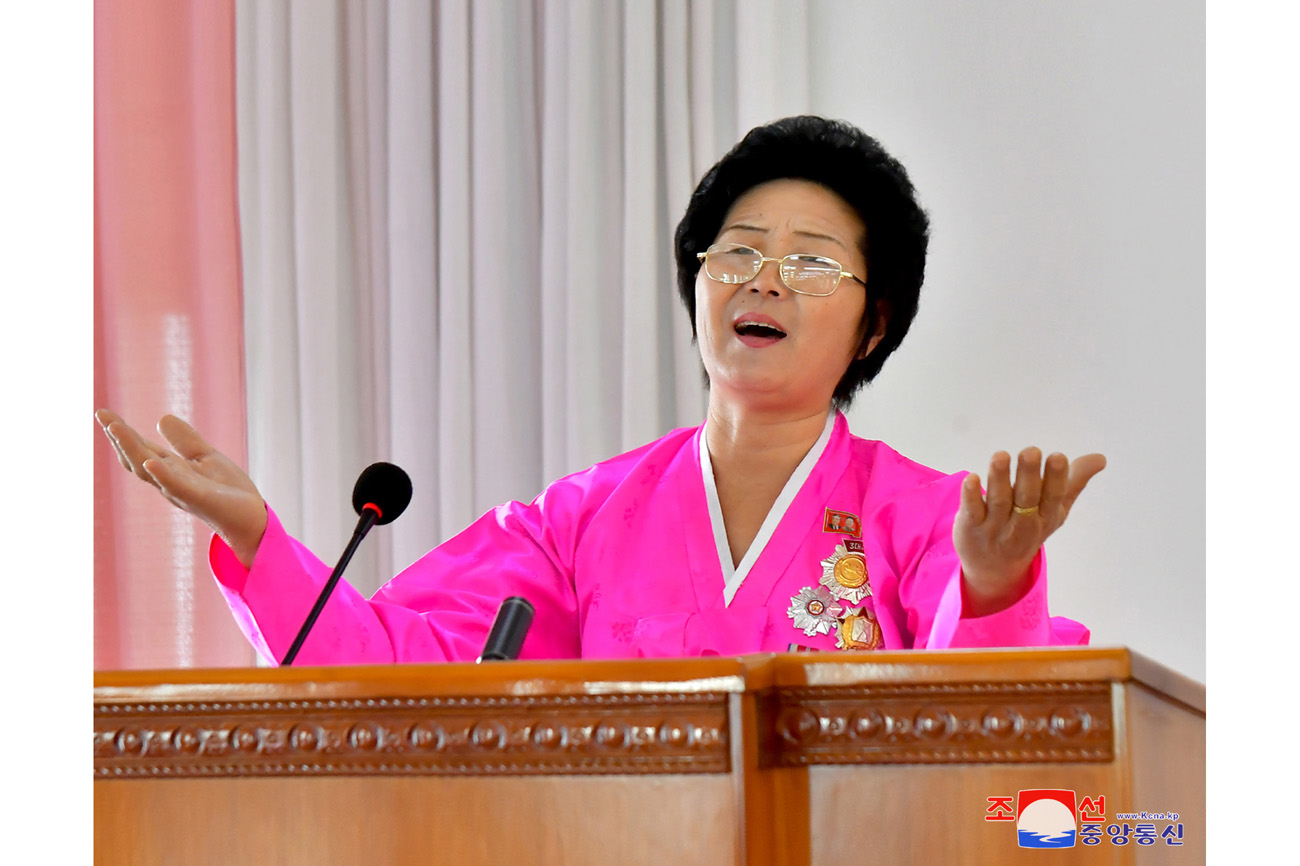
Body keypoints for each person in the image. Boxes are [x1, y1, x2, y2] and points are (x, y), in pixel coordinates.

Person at [96, 116, 1106, 665]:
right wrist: (262, 541)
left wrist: (991, 583)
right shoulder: (582, 519)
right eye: (739, 251)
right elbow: (396, 663)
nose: (761, 279)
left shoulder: (930, 517)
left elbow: (981, 759)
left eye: (808, 264)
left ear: (873, 321)